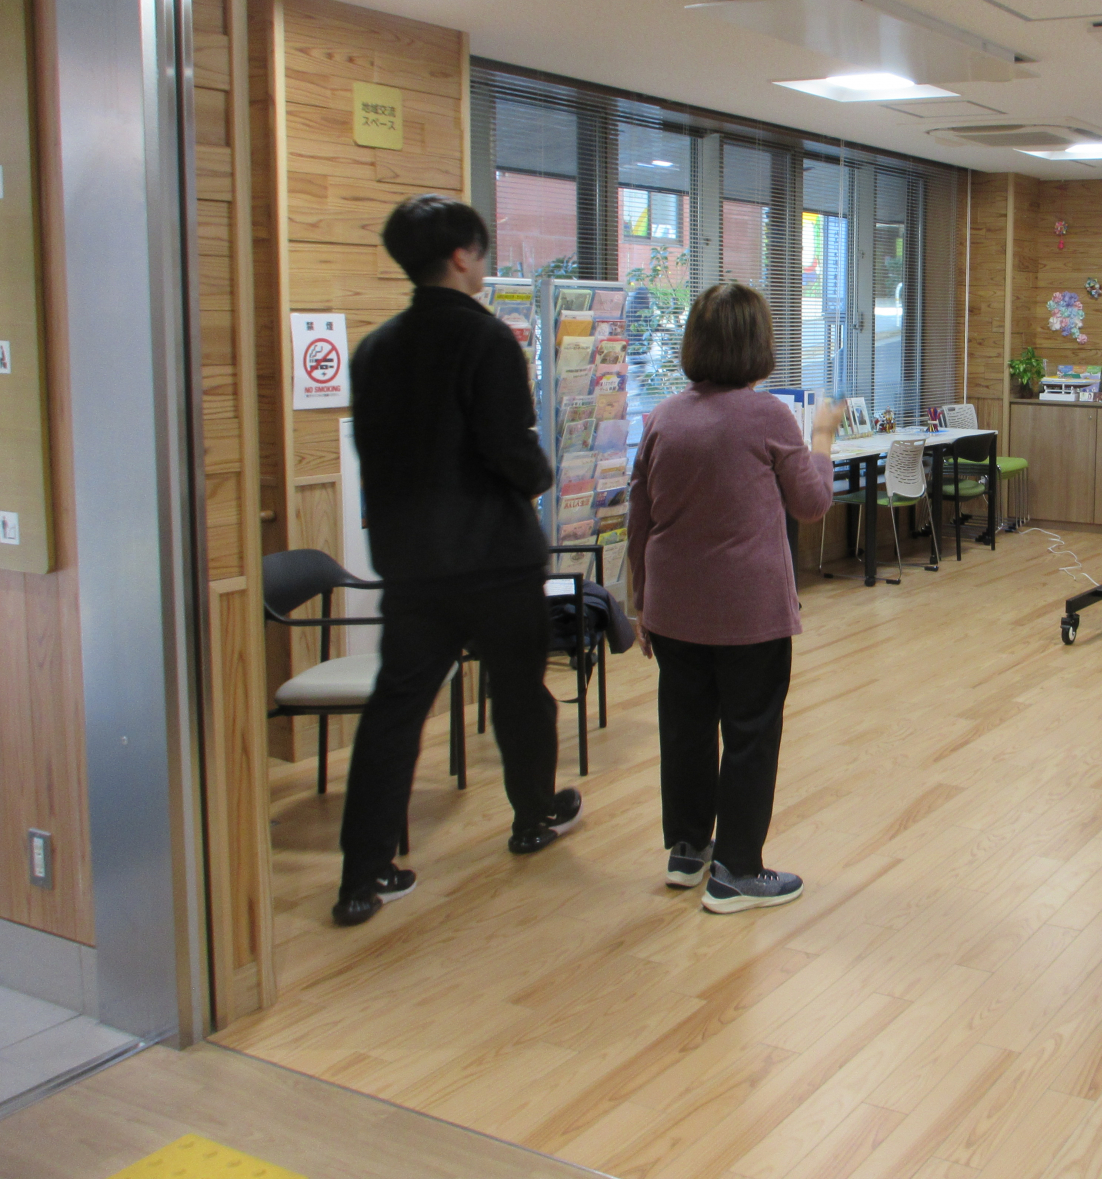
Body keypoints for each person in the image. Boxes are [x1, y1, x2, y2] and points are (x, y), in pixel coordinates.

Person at [335, 195, 579, 928]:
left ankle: (363, 875)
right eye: (482, 250)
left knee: (395, 711)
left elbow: (374, 455)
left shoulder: (374, 349)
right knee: (519, 693)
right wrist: (540, 474)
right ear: (462, 256)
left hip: (412, 565)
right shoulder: (487, 339)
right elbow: (510, 450)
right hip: (495, 559)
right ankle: (533, 816)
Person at [628, 281, 842, 914]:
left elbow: (640, 517)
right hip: (748, 612)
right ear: (758, 345)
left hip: (673, 608)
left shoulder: (663, 417)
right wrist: (822, 439)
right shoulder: (768, 415)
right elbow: (811, 503)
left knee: (685, 729)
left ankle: (688, 849)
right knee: (750, 733)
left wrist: (641, 602)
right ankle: (737, 871)